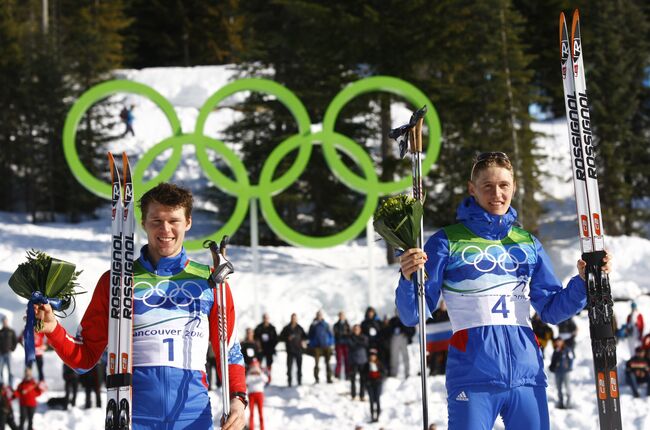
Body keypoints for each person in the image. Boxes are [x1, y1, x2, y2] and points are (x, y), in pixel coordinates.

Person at [396, 152, 613, 430]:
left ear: (513, 187)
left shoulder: (527, 243)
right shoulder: (446, 241)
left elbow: (551, 309)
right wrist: (407, 278)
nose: (496, 193)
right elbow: (414, 313)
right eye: (487, 186)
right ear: (471, 189)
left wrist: (583, 281)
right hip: (473, 378)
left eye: (503, 185)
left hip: (527, 376)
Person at [34, 182, 247, 429]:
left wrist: (238, 400)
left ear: (188, 222)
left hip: (193, 418)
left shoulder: (212, 282)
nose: (165, 229)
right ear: (143, 222)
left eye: (173, 221)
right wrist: (53, 329)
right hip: (134, 418)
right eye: (156, 220)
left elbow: (228, 352)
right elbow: (85, 358)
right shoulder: (117, 281)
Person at [279, 313, 307, 387]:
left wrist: (303, 341)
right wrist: (287, 338)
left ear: (296, 319)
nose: (293, 319)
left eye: (295, 318)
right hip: (290, 351)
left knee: (299, 367)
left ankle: (299, 381)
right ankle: (289, 382)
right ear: (290, 318)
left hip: (298, 351)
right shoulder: (286, 328)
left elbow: (305, 337)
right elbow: (280, 337)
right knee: (289, 368)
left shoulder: (300, 328)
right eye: (292, 318)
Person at [308, 310, 334, 384]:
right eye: (318, 315)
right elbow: (309, 336)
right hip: (317, 347)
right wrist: (313, 343)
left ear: (322, 316)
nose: (319, 316)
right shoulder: (313, 325)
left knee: (328, 363)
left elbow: (331, 335)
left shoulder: (326, 324)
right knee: (316, 364)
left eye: (320, 315)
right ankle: (316, 379)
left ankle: (329, 378)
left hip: (326, 346)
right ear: (316, 316)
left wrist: (330, 342)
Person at [548, 337, 574, 409]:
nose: (558, 343)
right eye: (557, 341)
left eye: (559, 341)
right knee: (559, 388)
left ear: (562, 342)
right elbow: (553, 361)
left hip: (565, 372)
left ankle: (568, 403)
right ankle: (560, 403)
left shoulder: (567, 350)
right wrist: (552, 367)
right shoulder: (555, 351)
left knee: (567, 387)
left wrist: (568, 367)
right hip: (557, 372)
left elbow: (571, 359)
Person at [388, 311, 415, 378]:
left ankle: (407, 373)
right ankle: (394, 373)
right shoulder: (392, 320)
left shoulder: (406, 319)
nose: (398, 313)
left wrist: (408, 336)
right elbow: (388, 330)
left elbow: (412, 329)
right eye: (396, 311)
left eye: (399, 311)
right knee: (394, 357)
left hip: (403, 338)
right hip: (394, 339)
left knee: (405, 356)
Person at [254, 313, 278, 384]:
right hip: (261, 350)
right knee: (260, 363)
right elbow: (255, 337)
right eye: (264, 318)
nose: (265, 319)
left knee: (269, 364)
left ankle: (268, 377)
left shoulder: (272, 328)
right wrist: (258, 345)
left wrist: (272, 346)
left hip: (269, 350)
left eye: (267, 318)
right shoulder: (259, 328)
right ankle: (260, 376)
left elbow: (276, 339)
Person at [348, 324, 369, 401]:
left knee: (362, 380)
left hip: (362, 361)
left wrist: (357, 342)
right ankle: (353, 395)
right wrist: (359, 343)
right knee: (353, 380)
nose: (356, 330)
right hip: (353, 361)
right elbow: (351, 345)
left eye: (358, 329)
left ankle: (362, 395)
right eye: (355, 329)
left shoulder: (364, 337)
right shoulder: (350, 337)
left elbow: (365, 344)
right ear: (353, 330)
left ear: (360, 330)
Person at [246, 358, 268, 430]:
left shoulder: (261, 374)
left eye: (256, 365)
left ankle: (262, 428)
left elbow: (266, 379)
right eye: (253, 366)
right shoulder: (249, 375)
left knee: (261, 413)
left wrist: (260, 373)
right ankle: (251, 428)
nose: (254, 367)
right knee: (251, 413)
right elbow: (246, 381)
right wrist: (251, 373)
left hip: (259, 394)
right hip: (251, 395)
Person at [366, 349, 385, 423]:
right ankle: (372, 415)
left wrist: (379, 378)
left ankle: (378, 415)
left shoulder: (379, 364)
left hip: (377, 384)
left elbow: (383, 373)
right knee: (371, 400)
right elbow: (364, 375)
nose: (372, 357)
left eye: (374, 355)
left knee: (377, 399)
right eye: (371, 355)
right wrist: (367, 381)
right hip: (370, 384)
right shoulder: (367, 365)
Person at [333, 311, 351, 380]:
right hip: (339, 344)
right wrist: (344, 333)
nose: (341, 317)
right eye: (340, 315)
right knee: (339, 360)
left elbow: (349, 334)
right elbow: (336, 333)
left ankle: (348, 374)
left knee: (347, 360)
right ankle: (337, 374)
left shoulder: (347, 325)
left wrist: (344, 334)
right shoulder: (336, 325)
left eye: (343, 315)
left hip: (346, 344)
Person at [0, 317, 17, 388]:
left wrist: (12, 349)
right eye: (3, 321)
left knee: (11, 370)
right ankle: (1, 385)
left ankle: (11, 385)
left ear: (7, 322)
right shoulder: (0, 332)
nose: (5, 322)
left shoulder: (11, 331)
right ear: (2, 322)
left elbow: (15, 341)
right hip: (1, 354)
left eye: (5, 321)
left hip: (8, 353)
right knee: (0, 370)